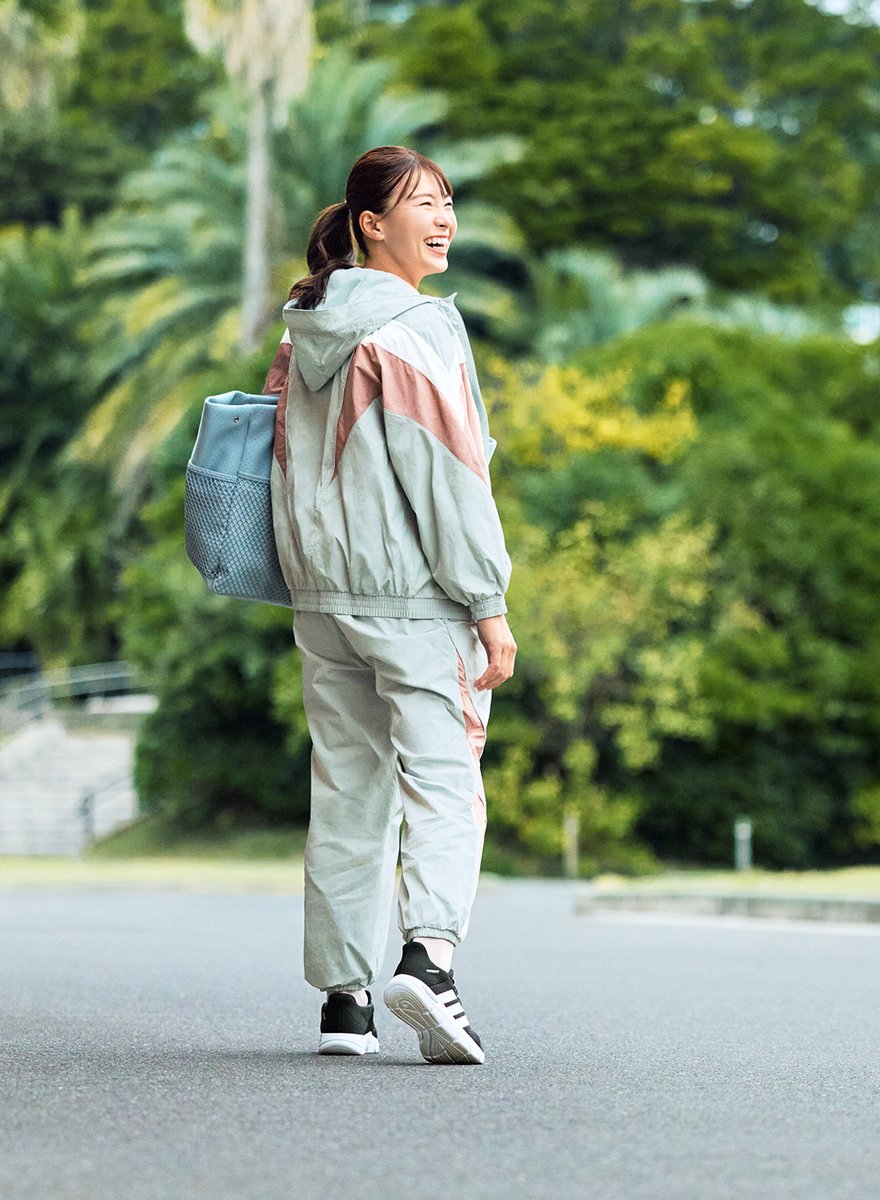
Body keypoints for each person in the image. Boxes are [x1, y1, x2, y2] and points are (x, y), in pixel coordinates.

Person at [262, 146, 515, 1065]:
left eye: (449, 201)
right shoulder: (414, 328)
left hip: (322, 598)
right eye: (421, 204)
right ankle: (431, 962)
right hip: (410, 597)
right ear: (373, 223)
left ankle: (346, 1001)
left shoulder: (306, 327)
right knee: (445, 780)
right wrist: (487, 601)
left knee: (348, 788)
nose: (443, 219)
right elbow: (447, 475)